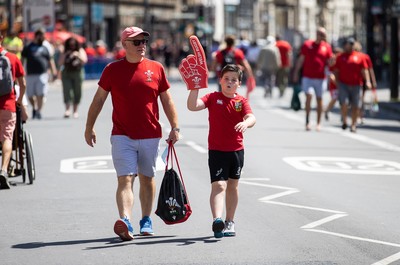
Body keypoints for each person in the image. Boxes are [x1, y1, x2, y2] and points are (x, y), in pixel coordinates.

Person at [84, 26, 180, 241]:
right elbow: (99, 100)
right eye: (136, 42)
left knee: (147, 178)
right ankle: (125, 220)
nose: (142, 46)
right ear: (125, 44)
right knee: (125, 179)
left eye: (144, 41)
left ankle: (146, 219)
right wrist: (89, 127)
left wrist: (175, 126)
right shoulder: (111, 70)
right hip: (122, 135)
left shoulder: (156, 68)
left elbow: (167, 100)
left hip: (150, 134)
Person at [186, 64, 256, 238]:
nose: (229, 82)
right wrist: (194, 87)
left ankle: (229, 221)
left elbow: (251, 117)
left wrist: (246, 123)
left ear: (239, 84)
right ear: (220, 81)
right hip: (217, 151)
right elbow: (193, 106)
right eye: (226, 79)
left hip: (236, 151)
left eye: (234, 80)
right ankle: (217, 220)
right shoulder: (212, 97)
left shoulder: (241, 102)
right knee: (219, 185)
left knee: (233, 185)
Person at [293, 27, 333, 131]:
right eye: (320, 33)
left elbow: (330, 63)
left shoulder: (327, 47)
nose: (322, 35)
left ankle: (319, 123)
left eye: (324, 34)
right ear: (316, 34)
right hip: (308, 77)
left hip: (321, 78)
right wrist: (296, 72)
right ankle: (307, 121)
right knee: (309, 96)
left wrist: (331, 72)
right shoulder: (307, 45)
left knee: (319, 99)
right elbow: (301, 59)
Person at [0, 32, 26, 189]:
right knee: (7, 138)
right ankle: (3, 169)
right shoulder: (12, 58)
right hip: (7, 104)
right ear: (2, 39)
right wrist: (20, 100)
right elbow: (22, 84)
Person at [333, 37, 371, 133]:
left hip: (356, 84)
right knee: (344, 103)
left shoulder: (359, 57)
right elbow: (336, 71)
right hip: (343, 84)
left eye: (352, 44)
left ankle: (353, 125)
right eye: (348, 44)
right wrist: (336, 82)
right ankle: (345, 121)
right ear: (345, 45)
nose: (350, 46)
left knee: (356, 105)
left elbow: (364, 70)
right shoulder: (340, 57)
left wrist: (368, 81)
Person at [21, 28, 57, 120]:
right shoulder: (28, 47)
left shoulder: (45, 47)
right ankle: (34, 107)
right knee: (30, 95)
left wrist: (54, 71)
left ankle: (39, 111)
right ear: (37, 36)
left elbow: (50, 60)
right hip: (30, 74)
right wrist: (20, 71)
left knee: (40, 94)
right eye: (41, 35)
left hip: (42, 74)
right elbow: (22, 59)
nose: (43, 37)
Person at [58, 37, 88, 118]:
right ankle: (67, 110)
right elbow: (60, 63)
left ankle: (75, 111)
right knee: (67, 90)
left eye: (73, 44)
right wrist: (65, 54)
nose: (72, 46)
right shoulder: (64, 51)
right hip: (67, 72)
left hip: (77, 72)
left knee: (77, 91)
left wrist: (77, 55)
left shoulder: (80, 50)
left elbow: (85, 60)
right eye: (70, 44)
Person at [353, 41, 378, 123]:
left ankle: (359, 115)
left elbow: (370, 69)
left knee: (359, 99)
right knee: (360, 99)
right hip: (358, 81)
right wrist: (373, 81)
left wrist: (372, 81)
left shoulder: (364, 57)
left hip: (361, 81)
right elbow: (371, 70)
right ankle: (359, 115)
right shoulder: (355, 56)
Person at [324, 47, 343, 121]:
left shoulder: (341, 62)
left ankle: (342, 115)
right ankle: (327, 110)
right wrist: (337, 84)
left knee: (343, 101)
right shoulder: (331, 63)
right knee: (334, 99)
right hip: (334, 85)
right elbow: (330, 75)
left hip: (342, 84)